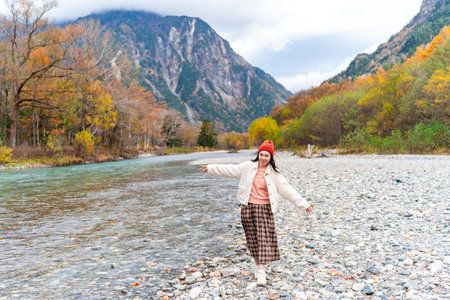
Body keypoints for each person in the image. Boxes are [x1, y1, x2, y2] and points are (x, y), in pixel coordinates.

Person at [200, 140, 313, 285]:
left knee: (263, 240)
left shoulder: (274, 173)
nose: (263, 158)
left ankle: (261, 271)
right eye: (261, 154)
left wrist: (303, 204)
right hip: (247, 208)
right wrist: (211, 168)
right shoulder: (248, 167)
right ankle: (257, 264)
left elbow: (287, 190)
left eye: (267, 155)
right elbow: (230, 169)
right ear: (258, 154)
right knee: (252, 240)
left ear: (271, 157)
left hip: (264, 210)